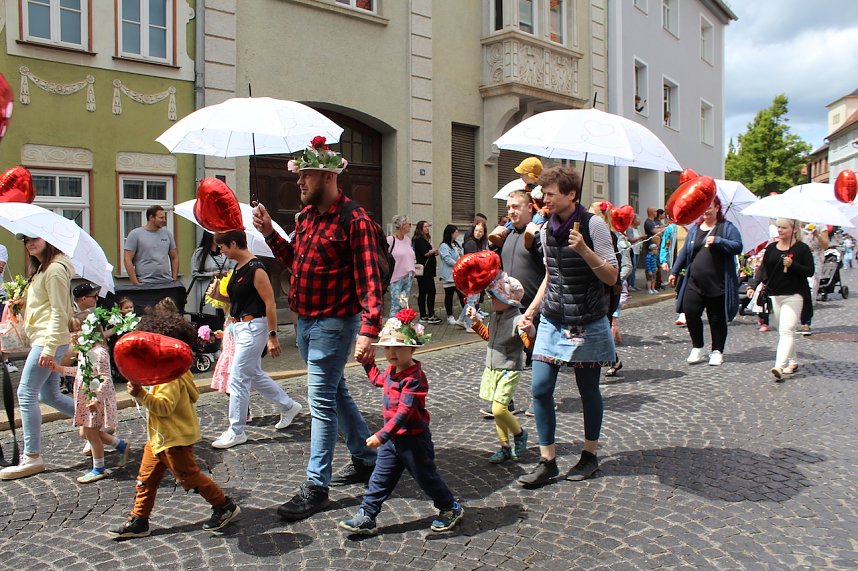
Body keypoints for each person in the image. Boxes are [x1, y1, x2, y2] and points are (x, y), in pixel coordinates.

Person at [252, 136, 382, 521]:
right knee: (335, 391)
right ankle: (364, 457)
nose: (299, 183)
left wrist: (369, 330)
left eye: (304, 175)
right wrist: (270, 233)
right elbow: (295, 262)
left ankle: (316, 485)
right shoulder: (305, 219)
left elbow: (371, 280)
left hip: (335, 323)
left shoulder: (355, 220)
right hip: (305, 322)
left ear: (326, 176)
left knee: (321, 402)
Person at [517, 166, 619, 486]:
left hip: (586, 318)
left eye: (551, 194)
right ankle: (548, 462)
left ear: (571, 195)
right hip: (553, 317)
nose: (544, 199)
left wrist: (584, 250)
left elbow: (612, 277)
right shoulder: (546, 229)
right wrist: (532, 311)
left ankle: (589, 455)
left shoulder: (594, 226)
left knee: (588, 389)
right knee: (540, 388)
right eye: (543, 193)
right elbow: (551, 275)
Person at [109, 313, 240, 538]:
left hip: (173, 439)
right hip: (160, 438)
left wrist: (140, 394)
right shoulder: (167, 372)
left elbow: (163, 408)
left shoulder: (170, 378)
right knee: (145, 479)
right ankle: (139, 519)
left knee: (189, 477)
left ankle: (223, 505)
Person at [337, 313, 463, 535]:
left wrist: (381, 435)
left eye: (397, 347)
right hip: (392, 441)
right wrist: (367, 362)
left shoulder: (414, 378)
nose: (391, 353)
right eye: (387, 348)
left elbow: (403, 413)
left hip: (413, 440)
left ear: (412, 349)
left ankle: (450, 507)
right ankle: (367, 515)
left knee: (426, 478)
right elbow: (378, 379)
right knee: (379, 479)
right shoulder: (393, 371)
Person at [208, 229, 301, 450]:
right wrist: (218, 296)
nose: (220, 250)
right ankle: (288, 406)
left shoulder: (257, 269)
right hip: (239, 327)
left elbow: (270, 303)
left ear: (232, 244)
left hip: (254, 327)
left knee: (238, 378)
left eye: (222, 246)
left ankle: (236, 430)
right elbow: (236, 299)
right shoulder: (237, 267)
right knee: (254, 374)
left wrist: (272, 335)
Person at [0, 232, 76, 480]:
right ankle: (97, 421)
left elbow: (59, 311)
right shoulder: (42, 270)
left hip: (48, 340)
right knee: (49, 395)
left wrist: (49, 347)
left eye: (35, 238)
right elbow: (42, 306)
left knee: (25, 392)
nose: (29, 244)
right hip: (45, 338)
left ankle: (32, 456)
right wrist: (19, 304)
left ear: (49, 240)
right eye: (25, 240)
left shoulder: (54, 269)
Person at [53, 311, 130, 483]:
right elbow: (80, 372)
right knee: (85, 433)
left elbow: (105, 378)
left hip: (95, 400)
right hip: (85, 398)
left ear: (90, 330)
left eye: (77, 330)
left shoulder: (99, 352)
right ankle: (121, 445)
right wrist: (60, 370)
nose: (74, 334)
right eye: (72, 331)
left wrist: (96, 398)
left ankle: (99, 468)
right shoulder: (83, 351)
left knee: (92, 434)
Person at [669, 196, 743, 367]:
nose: (706, 211)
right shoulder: (695, 229)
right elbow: (685, 253)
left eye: (709, 207)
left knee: (716, 318)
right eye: (703, 208)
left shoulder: (726, 228)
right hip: (694, 281)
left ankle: (717, 350)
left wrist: (718, 241)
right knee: (690, 311)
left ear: (717, 208)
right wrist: (674, 271)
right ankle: (698, 346)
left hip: (718, 283)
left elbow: (738, 246)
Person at [466, 272, 531, 463]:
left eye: (495, 296)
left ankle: (519, 434)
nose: (491, 298)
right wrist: (476, 321)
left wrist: (529, 331)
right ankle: (504, 447)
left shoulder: (517, 320)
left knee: (498, 409)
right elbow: (488, 336)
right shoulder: (495, 316)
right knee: (498, 411)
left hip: (509, 369)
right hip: (493, 369)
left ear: (508, 299)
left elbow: (527, 343)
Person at [757, 219, 814, 381]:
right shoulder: (771, 248)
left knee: (787, 330)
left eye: (784, 227)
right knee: (783, 330)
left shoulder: (802, 249)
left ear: (794, 229)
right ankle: (793, 361)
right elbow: (764, 270)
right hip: (775, 294)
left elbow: (810, 271)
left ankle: (779, 366)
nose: (780, 230)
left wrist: (793, 264)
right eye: (778, 227)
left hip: (794, 295)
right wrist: (753, 285)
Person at [123, 205, 178, 286]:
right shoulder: (135, 234)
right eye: (161, 218)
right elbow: (127, 259)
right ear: (151, 217)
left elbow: (174, 257)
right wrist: (135, 282)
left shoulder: (167, 234)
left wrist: (174, 279)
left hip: (166, 282)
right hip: (145, 282)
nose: (164, 220)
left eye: (164, 217)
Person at [190, 232, 234, 319]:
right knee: (211, 318)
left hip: (224, 290)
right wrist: (212, 274)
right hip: (208, 290)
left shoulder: (225, 252)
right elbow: (195, 274)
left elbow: (232, 267)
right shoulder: (200, 253)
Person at [799, 224, 829, 335]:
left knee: (810, 291)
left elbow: (826, 245)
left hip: (814, 258)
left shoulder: (820, 225)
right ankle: (795, 318)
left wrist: (817, 235)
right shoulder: (797, 222)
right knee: (797, 290)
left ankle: (806, 321)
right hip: (799, 256)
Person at [659, 217, 688, 325]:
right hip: (678, 264)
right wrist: (663, 261)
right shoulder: (671, 228)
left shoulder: (694, 227)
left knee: (688, 288)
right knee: (680, 287)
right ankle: (684, 312)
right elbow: (665, 245)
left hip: (692, 263)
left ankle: (685, 312)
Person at [387, 214, 416, 317]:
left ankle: (403, 328)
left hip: (408, 277)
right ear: (403, 225)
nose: (410, 226)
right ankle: (391, 329)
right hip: (395, 278)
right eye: (409, 224)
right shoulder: (390, 240)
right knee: (396, 305)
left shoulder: (408, 240)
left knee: (404, 305)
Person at [412, 221, 441, 323]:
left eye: (428, 226)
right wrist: (433, 250)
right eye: (425, 227)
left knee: (423, 292)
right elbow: (425, 253)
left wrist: (433, 252)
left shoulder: (424, 239)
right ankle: (431, 315)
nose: (427, 228)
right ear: (420, 228)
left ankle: (424, 315)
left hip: (427, 269)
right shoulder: (419, 240)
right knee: (431, 291)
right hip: (425, 271)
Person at [438, 224, 466, 326]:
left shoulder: (456, 244)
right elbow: (447, 258)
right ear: (450, 233)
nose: (457, 234)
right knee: (449, 296)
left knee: (462, 295)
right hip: (448, 275)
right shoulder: (444, 246)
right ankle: (450, 316)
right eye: (455, 232)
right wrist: (458, 264)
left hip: (457, 274)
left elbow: (461, 254)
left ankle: (466, 316)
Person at [625, 215, 644, 291]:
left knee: (635, 268)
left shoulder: (638, 228)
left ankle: (633, 284)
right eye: (638, 219)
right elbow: (631, 239)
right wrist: (640, 237)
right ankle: (629, 284)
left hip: (637, 250)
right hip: (632, 250)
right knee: (632, 268)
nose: (639, 221)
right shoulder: (630, 228)